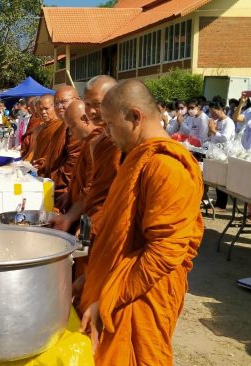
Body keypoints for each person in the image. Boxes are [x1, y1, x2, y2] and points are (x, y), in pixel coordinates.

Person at [79, 80, 204, 365]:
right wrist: (91, 276)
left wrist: (109, 299)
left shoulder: (166, 167)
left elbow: (165, 251)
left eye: (110, 124)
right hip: (119, 288)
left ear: (135, 116)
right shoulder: (136, 160)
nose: (107, 133)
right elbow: (119, 234)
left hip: (139, 296)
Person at [52, 75, 119, 235]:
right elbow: (91, 188)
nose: (92, 111)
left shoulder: (125, 143)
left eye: (97, 104)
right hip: (90, 219)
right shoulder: (96, 140)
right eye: (88, 104)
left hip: (111, 225)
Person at [42, 85, 81, 197]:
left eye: (63, 101)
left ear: (77, 101)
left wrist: (55, 184)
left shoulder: (80, 128)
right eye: (56, 103)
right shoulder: (61, 127)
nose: (59, 107)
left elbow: (72, 165)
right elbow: (57, 156)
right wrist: (45, 163)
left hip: (66, 190)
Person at [208, 101, 236, 211]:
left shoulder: (228, 122)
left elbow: (225, 138)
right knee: (217, 179)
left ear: (221, 110)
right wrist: (211, 130)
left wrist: (213, 130)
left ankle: (222, 204)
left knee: (222, 179)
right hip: (216, 152)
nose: (212, 115)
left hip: (225, 153)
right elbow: (212, 135)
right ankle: (219, 201)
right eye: (211, 113)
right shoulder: (216, 121)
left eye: (214, 112)